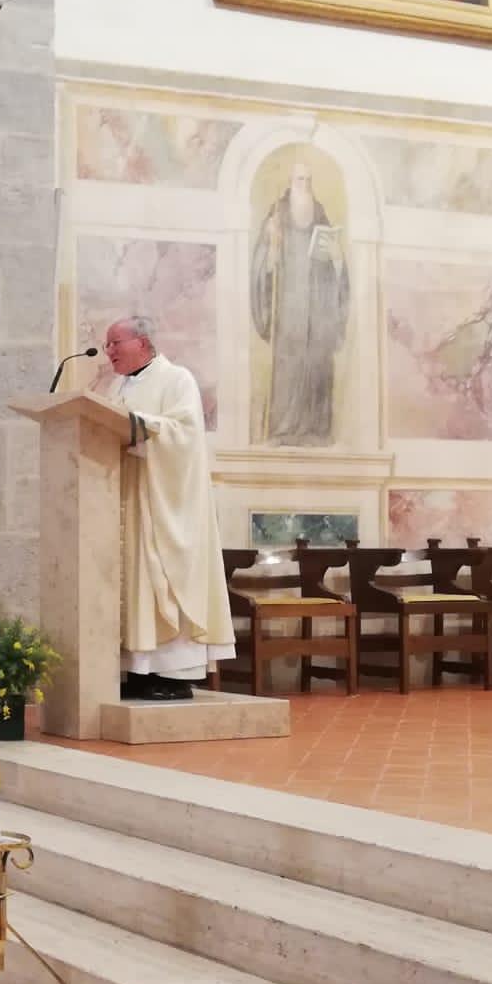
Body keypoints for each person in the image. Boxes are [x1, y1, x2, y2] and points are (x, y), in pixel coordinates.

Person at [103, 318, 237, 701]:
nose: (109, 351)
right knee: (136, 585)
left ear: (142, 343)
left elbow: (184, 434)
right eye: (107, 344)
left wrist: (136, 426)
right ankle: (139, 670)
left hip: (165, 503)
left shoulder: (177, 379)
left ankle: (175, 674)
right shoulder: (116, 387)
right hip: (129, 501)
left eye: (115, 343)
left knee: (164, 578)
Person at [250, 162, 350, 447]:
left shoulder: (320, 217)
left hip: (318, 312)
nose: (304, 185)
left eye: (308, 180)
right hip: (288, 311)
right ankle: (282, 430)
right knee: (288, 367)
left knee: (318, 366)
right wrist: (271, 248)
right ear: (290, 182)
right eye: (299, 180)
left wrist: (337, 258)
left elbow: (337, 274)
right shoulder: (277, 216)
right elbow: (261, 268)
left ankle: (316, 430)